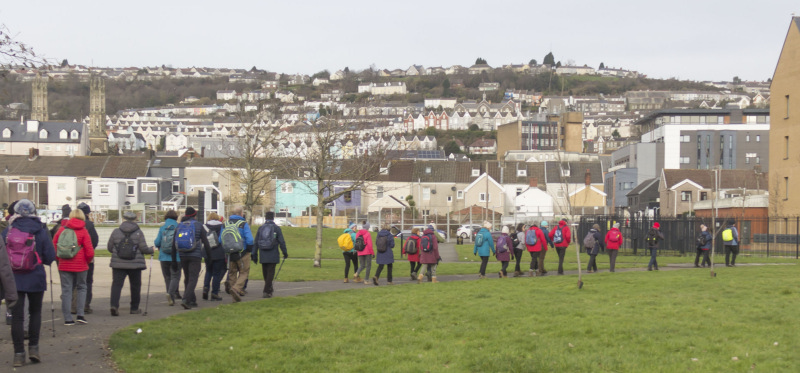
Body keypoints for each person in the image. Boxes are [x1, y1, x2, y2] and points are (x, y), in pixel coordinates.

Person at [3, 199, 54, 367]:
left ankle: (18, 354)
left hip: (14, 278)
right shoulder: (40, 229)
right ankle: (34, 348)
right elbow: (49, 256)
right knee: (36, 312)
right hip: (36, 276)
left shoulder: (9, 229)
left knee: (17, 317)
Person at [53, 207, 94, 325]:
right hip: (81, 264)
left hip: (64, 264)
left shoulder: (62, 229)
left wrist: (59, 259)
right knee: (81, 287)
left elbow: (54, 245)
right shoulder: (83, 231)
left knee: (66, 290)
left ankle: (68, 318)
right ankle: (80, 314)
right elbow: (90, 251)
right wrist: (87, 261)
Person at [107, 211, 153, 316]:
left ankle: (114, 305)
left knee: (117, 285)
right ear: (134, 220)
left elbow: (110, 248)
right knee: (135, 286)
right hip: (135, 264)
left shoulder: (116, 231)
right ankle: (134, 308)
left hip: (118, 263)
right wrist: (151, 250)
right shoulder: (139, 232)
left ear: (123, 219)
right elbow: (143, 248)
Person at [173, 207, 211, 309]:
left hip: (182, 255)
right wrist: (209, 256)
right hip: (195, 255)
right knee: (193, 278)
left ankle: (192, 300)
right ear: (194, 215)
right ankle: (186, 299)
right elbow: (206, 242)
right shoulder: (198, 225)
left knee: (187, 278)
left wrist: (173, 259)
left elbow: (174, 243)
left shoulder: (179, 225)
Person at [252, 211, 288, 298]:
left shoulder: (260, 228)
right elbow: (282, 241)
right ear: (273, 218)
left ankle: (269, 289)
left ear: (265, 218)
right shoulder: (276, 228)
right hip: (273, 253)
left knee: (265, 273)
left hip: (263, 253)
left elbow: (256, 242)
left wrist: (254, 254)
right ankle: (266, 290)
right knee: (270, 273)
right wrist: (285, 252)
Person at [224, 206, 254, 302]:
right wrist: (249, 249)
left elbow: (221, 239)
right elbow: (250, 239)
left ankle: (234, 297)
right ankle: (236, 288)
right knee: (244, 272)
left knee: (232, 273)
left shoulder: (225, 224)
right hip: (242, 252)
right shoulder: (243, 224)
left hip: (230, 252)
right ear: (241, 213)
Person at [73, 203, 98, 315]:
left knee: (72, 282)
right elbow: (94, 241)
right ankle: (85, 305)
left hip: (71, 257)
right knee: (87, 282)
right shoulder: (89, 225)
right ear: (87, 213)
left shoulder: (68, 225)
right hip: (86, 258)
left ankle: (72, 304)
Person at [153, 210, 181, 306]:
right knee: (175, 276)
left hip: (164, 257)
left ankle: (171, 297)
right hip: (176, 257)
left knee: (167, 277)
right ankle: (171, 294)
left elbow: (157, 242)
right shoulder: (179, 227)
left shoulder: (162, 228)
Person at [202, 213, 226, 301]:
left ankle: (205, 288)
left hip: (207, 252)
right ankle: (214, 293)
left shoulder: (204, 226)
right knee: (217, 273)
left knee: (208, 271)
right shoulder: (222, 226)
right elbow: (222, 239)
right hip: (219, 252)